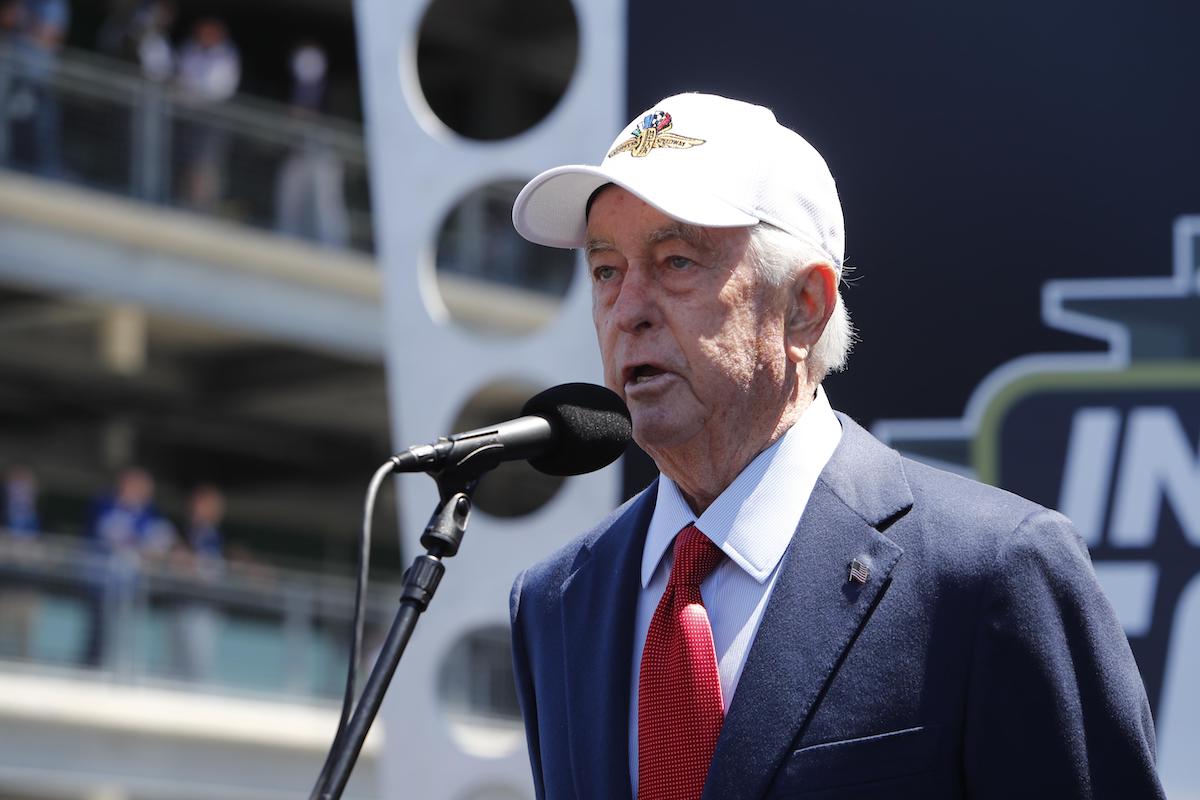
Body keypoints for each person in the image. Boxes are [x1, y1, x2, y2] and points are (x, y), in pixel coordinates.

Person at [507, 93, 1164, 799]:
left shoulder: (993, 572)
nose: (628, 309)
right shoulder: (555, 601)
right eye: (606, 270)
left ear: (804, 308)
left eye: (675, 261)